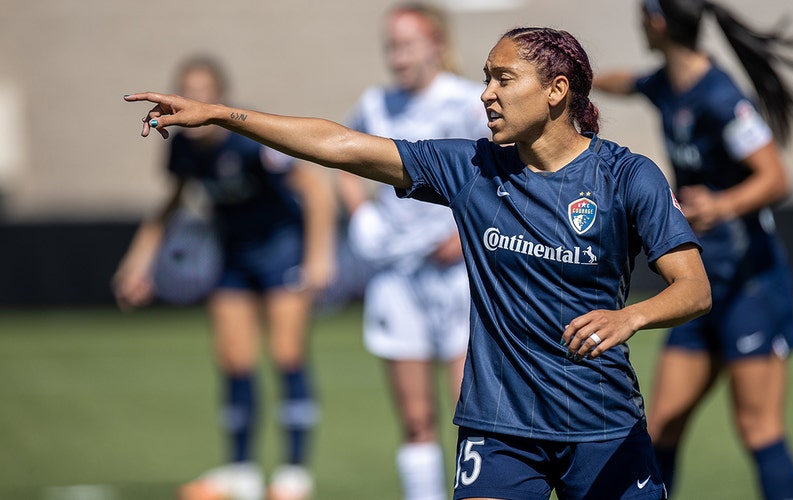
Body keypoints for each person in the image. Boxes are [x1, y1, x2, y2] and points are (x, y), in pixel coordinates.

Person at [125, 26, 712, 500]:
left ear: (557, 90)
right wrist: (225, 115)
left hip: (602, 422)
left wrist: (629, 317)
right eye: (485, 79)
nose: (486, 93)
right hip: (499, 428)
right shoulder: (472, 168)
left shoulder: (627, 176)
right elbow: (341, 145)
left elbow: (693, 289)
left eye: (504, 79)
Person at [592, 1, 793, 498]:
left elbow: (776, 177)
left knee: (759, 430)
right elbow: (623, 81)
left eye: (641, 16)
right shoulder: (664, 85)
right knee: (662, 426)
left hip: (749, 285)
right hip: (699, 285)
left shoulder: (720, 97)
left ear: (657, 23)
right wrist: (576, 85)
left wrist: (720, 205)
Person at [114, 56, 336, 500]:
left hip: (281, 252)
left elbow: (313, 188)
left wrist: (318, 256)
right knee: (234, 361)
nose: (193, 98)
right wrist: (137, 262)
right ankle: (243, 473)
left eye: (203, 90)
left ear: (220, 95)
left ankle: (293, 475)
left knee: (287, 354)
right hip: (233, 256)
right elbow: (171, 203)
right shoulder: (181, 144)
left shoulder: (249, 138)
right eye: (186, 89)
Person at [337, 4, 490, 499]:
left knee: (471, 411)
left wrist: (467, 232)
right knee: (416, 419)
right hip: (397, 277)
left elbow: (506, 170)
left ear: (437, 44)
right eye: (391, 45)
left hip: (457, 278)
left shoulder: (469, 101)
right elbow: (343, 159)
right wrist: (361, 217)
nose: (397, 56)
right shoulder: (376, 104)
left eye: (407, 44)